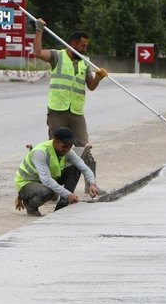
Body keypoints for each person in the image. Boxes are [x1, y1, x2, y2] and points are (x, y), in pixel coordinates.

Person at [32, 18, 107, 194]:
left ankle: (91, 187)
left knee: (85, 149)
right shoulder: (57, 56)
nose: (84, 49)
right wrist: (39, 30)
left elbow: (91, 86)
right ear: (73, 43)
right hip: (57, 110)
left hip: (76, 113)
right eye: (83, 45)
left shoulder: (85, 62)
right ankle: (52, 189)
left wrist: (98, 77)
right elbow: (37, 53)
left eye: (86, 46)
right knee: (55, 150)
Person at [15, 127, 100, 216]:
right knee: (48, 192)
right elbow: (46, 180)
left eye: (70, 147)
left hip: (47, 179)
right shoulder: (40, 152)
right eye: (64, 147)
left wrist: (92, 183)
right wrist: (68, 194)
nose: (67, 150)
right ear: (55, 141)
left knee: (75, 168)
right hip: (27, 183)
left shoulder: (67, 151)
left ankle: (62, 205)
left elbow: (83, 167)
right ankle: (30, 205)